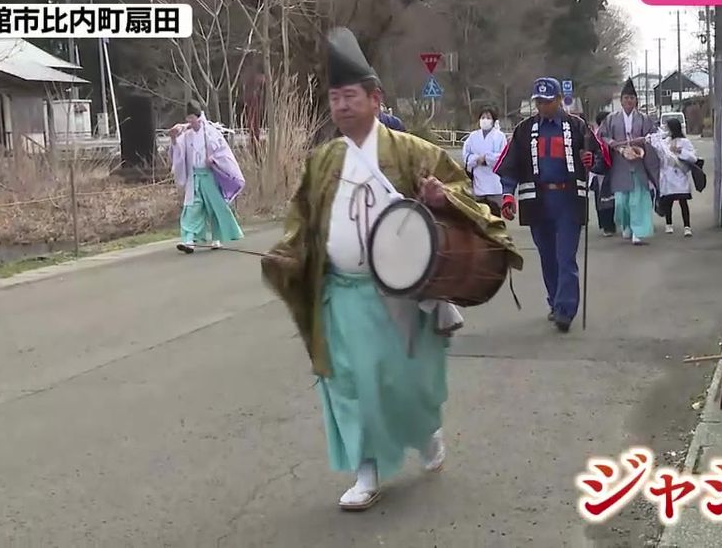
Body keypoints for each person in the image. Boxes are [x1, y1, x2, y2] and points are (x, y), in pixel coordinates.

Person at [259, 27, 522, 511]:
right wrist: (288, 254)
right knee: (348, 382)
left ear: (375, 98)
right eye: (334, 98)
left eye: (350, 96)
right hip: (341, 294)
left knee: (403, 384)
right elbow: (303, 222)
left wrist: (443, 199)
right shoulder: (322, 161)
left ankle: (424, 431)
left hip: (398, 296)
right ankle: (365, 471)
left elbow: (462, 191)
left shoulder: (409, 151)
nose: (341, 106)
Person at [495, 77, 606, 332]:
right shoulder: (524, 130)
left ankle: (566, 309)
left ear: (558, 100)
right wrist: (508, 195)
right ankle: (555, 301)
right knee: (547, 256)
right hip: (536, 200)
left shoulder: (578, 127)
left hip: (568, 198)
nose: (542, 106)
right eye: (539, 102)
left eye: (547, 101)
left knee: (565, 256)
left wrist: (592, 161)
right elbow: (509, 166)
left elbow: (602, 158)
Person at [168, 101, 246, 254]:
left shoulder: (210, 132)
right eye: (188, 118)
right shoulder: (186, 135)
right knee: (191, 208)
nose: (190, 121)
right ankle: (188, 241)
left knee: (215, 207)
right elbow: (179, 152)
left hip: (209, 176)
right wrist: (173, 139)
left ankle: (217, 237)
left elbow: (223, 152)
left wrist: (214, 159)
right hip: (195, 177)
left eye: (193, 118)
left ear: (199, 117)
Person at [601, 78, 660, 245]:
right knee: (621, 202)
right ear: (621, 100)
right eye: (626, 98)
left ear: (636, 101)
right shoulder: (612, 118)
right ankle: (626, 225)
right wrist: (616, 146)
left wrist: (641, 148)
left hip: (638, 164)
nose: (629, 101)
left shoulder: (644, 118)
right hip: (620, 164)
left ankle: (638, 232)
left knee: (638, 200)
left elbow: (652, 136)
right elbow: (603, 136)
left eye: (632, 98)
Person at [462, 106, 508, 216]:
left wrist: (486, 159)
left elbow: (503, 156)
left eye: (488, 117)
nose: (485, 120)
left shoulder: (500, 136)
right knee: (480, 218)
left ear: (493, 120)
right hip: (478, 183)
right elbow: (466, 155)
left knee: (494, 217)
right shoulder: (473, 136)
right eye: (483, 117)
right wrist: (476, 159)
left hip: (494, 183)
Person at [657, 117, 699, 237]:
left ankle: (687, 226)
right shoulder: (665, 142)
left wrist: (680, 151)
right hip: (668, 175)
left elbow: (693, 158)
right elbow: (661, 157)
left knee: (683, 201)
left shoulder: (685, 142)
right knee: (668, 201)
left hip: (680, 175)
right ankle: (668, 224)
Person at [590, 110, 617, 237]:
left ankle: (610, 224)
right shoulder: (596, 136)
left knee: (611, 200)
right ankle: (606, 225)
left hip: (612, 170)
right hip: (600, 172)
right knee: (602, 201)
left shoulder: (612, 134)